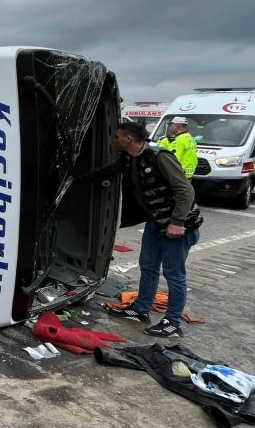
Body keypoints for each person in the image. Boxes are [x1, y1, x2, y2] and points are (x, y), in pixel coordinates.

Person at [77, 121, 203, 337]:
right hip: (155, 223)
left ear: (128, 139)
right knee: (148, 266)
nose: (114, 140)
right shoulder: (130, 158)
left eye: (117, 137)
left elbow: (185, 190)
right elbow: (108, 171)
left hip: (178, 227)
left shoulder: (159, 157)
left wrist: (178, 222)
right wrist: (75, 180)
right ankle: (140, 309)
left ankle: (173, 323)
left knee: (174, 274)